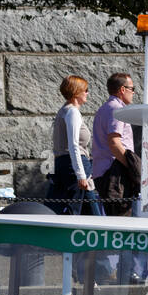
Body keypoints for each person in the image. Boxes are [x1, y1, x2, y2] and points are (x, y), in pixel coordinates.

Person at [50, 75, 103, 216]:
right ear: (76, 91)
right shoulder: (72, 112)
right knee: (80, 212)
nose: (87, 93)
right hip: (75, 167)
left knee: (86, 211)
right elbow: (73, 145)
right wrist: (80, 174)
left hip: (64, 165)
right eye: (86, 90)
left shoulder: (63, 111)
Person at [91, 72, 140, 217]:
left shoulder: (105, 108)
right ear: (122, 89)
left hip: (107, 171)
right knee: (120, 218)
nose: (134, 92)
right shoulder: (116, 109)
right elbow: (114, 143)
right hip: (114, 172)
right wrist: (131, 166)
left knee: (115, 216)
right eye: (132, 88)